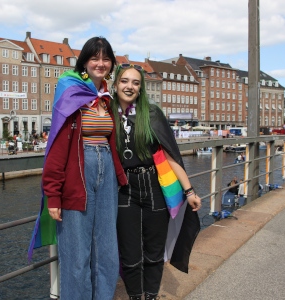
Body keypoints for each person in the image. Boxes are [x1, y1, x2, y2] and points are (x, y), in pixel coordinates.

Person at [28, 37, 127, 299]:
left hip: (105, 176)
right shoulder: (71, 89)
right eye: (95, 58)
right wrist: (53, 195)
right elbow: (57, 145)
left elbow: (113, 140)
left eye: (106, 59)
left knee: (106, 250)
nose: (100, 63)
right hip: (76, 176)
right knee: (77, 254)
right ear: (84, 61)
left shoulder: (107, 97)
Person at [110, 64, 202, 300]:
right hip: (124, 190)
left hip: (154, 186)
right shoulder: (106, 113)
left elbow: (170, 154)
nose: (129, 86)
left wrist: (189, 190)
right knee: (129, 255)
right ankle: (134, 296)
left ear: (141, 88)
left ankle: (150, 296)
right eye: (124, 81)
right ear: (116, 84)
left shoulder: (151, 113)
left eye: (135, 82)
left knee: (154, 253)